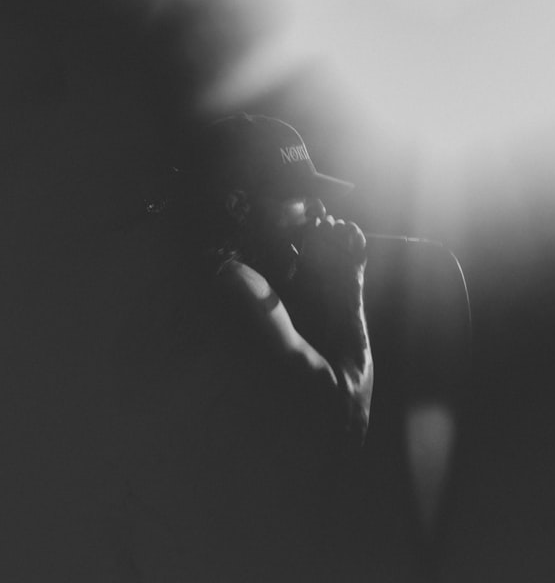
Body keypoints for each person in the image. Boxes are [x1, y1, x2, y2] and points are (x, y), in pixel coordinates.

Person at [115, 113, 373, 582]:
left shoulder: (175, 277)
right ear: (238, 204)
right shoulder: (230, 288)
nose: (319, 211)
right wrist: (348, 285)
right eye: (299, 196)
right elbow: (344, 418)